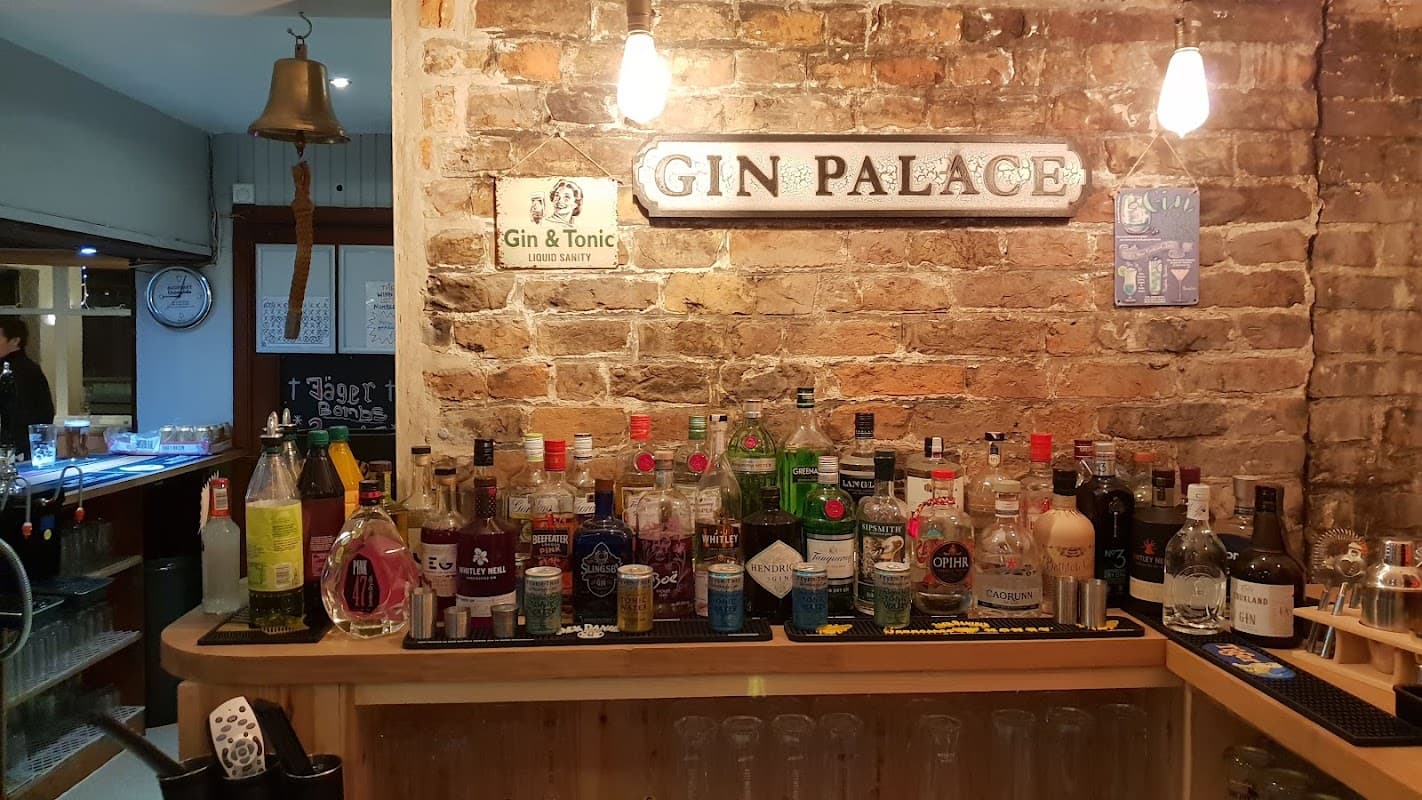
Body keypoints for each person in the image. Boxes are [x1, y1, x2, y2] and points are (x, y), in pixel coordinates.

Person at [0, 317, 55, 459]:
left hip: (15, 450)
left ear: (15, 340)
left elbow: (23, 413)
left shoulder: (20, 371)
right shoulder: (30, 369)